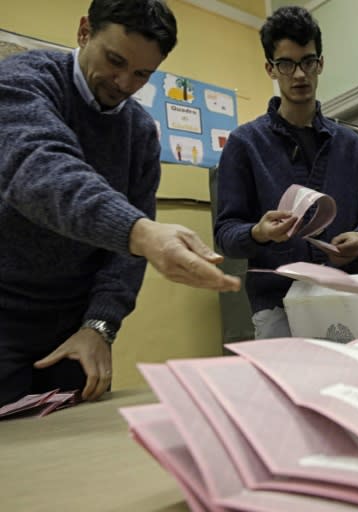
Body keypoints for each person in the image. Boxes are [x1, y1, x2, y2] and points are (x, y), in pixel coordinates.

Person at [0, 0, 241, 407]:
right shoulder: (21, 82)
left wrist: (100, 326)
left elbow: (124, 257)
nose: (125, 83)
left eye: (142, 74)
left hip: (74, 330)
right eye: (115, 60)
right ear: (83, 31)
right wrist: (141, 233)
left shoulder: (140, 132)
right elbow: (41, 168)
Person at [214, 6, 358, 339]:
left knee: (351, 387)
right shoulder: (244, 144)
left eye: (308, 61)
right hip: (277, 305)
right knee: (289, 391)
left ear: (320, 63)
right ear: (270, 69)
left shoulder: (350, 146)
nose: (300, 75)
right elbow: (225, 235)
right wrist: (259, 233)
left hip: (344, 296)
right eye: (286, 64)